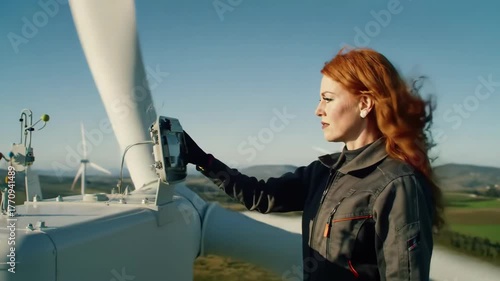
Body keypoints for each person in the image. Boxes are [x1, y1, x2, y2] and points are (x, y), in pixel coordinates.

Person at [183, 47, 444, 281]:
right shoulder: (323, 173)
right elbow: (261, 197)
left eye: (328, 98)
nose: (317, 110)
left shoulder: (397, 183)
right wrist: (203, 160)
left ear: (365, 103)